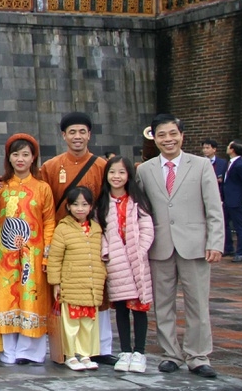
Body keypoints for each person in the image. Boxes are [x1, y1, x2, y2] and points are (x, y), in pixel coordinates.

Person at [137, 113, 224, 378]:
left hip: (195, 245)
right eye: (161, 135)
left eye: (172, 133)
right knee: (163, 303)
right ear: (155, 138)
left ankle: (198, 356)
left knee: (197, 303)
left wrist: (216, 242)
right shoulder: (145, 170)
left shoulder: (200, 166)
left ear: (181, 135)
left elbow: (213, 207)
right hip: (160, 246)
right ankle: (171, 354)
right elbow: (142, 210)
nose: (168, 139)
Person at [38, 111, 112, 364]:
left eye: (82, 132)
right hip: (63, 238)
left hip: (92, 239)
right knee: (66, 297)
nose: (77, 137)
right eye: (72, 132)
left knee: (97, 294)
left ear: (89, 134)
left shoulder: (102, 167)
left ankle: (100, 348)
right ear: (63, 135)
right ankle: (68, 348)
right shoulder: (50, 166)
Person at [0, 133, 55, 365]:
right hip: (5, 255)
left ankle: (30, 351)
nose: (20, 159)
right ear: (9, 158)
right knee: (6, 298)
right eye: (16, 154)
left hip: (32, 255)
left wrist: (48, 250)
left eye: (25, 154)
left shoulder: (43, 188)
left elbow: (49, 221)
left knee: (31, 298)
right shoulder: (1, 188)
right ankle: (8, 350)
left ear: (33, 158)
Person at [96, 155, 155, 374]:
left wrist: (139, 250)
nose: (116, 176)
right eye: (112, 172)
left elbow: (148, 228)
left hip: (136, 261)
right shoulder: (102, 202)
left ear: (129, 174)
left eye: (121, 172)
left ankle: (139, 351)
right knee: (121, 307)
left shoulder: (138, 201)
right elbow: (99, 231)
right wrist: (107, 253)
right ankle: (126, 350)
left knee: (139, 308)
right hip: (116, 263)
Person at [47, 186, 105, 371]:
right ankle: (70, 354)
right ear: (69, 206)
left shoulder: (96, 229)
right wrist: (56, 282)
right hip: (71, 283)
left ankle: (86, 354)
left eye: (84, 204)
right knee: (71, 322)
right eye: (75, 204)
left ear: (91, 207)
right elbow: (55, 257)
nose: (80, 208)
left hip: (90, 284)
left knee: (88, 322)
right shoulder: (63, 229)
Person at [222, 140, 242, 262]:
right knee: (224, 224)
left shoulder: (240, 165)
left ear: (233, 149)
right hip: (228, 199)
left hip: (236, 201)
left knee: (239, 227)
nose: (227, 147)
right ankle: (228, 247)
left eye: (229, 145)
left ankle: (240, 252)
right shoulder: (230, 163)